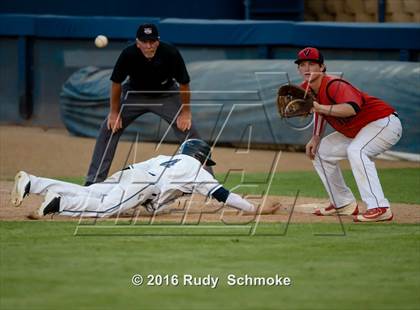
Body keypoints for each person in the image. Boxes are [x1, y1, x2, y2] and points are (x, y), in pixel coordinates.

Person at [11, 139, 280, 218]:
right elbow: (224, 195)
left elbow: (152, 200)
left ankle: (33, 183)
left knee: (93, 192)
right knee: (105, 209)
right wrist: (254, 208)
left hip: (132, 173)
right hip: (143, 183)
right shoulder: (196, 170)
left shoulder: (166, 157)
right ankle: (59, 204)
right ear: (200, 157)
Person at [85, 23, 201, 186]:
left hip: (165, 94)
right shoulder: (128, 54)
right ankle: (93, 182)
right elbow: (116, 83)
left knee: (190, 132)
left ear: (158, 41)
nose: (149, 45)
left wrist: (186, 112)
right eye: (144, 42)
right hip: (135, 95)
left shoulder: (170, 53)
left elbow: (184, 83)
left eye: (152, 41)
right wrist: (114, 112)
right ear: (137, 42)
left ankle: (207, 181)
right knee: (109, 128)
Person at [295, 47, 402, 222]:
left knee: (357, 151)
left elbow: (351, 108)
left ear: (322, 67)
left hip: (383, 123)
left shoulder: (334, 85)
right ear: (298, 69)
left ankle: (379, 207)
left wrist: (319, 107)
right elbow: (319, 112)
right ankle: (343, 203)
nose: (307, 68)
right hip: (359, 130)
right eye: (302, 64)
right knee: (321, 152)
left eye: (312, 64)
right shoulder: (305, 90)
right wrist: (315, 137)